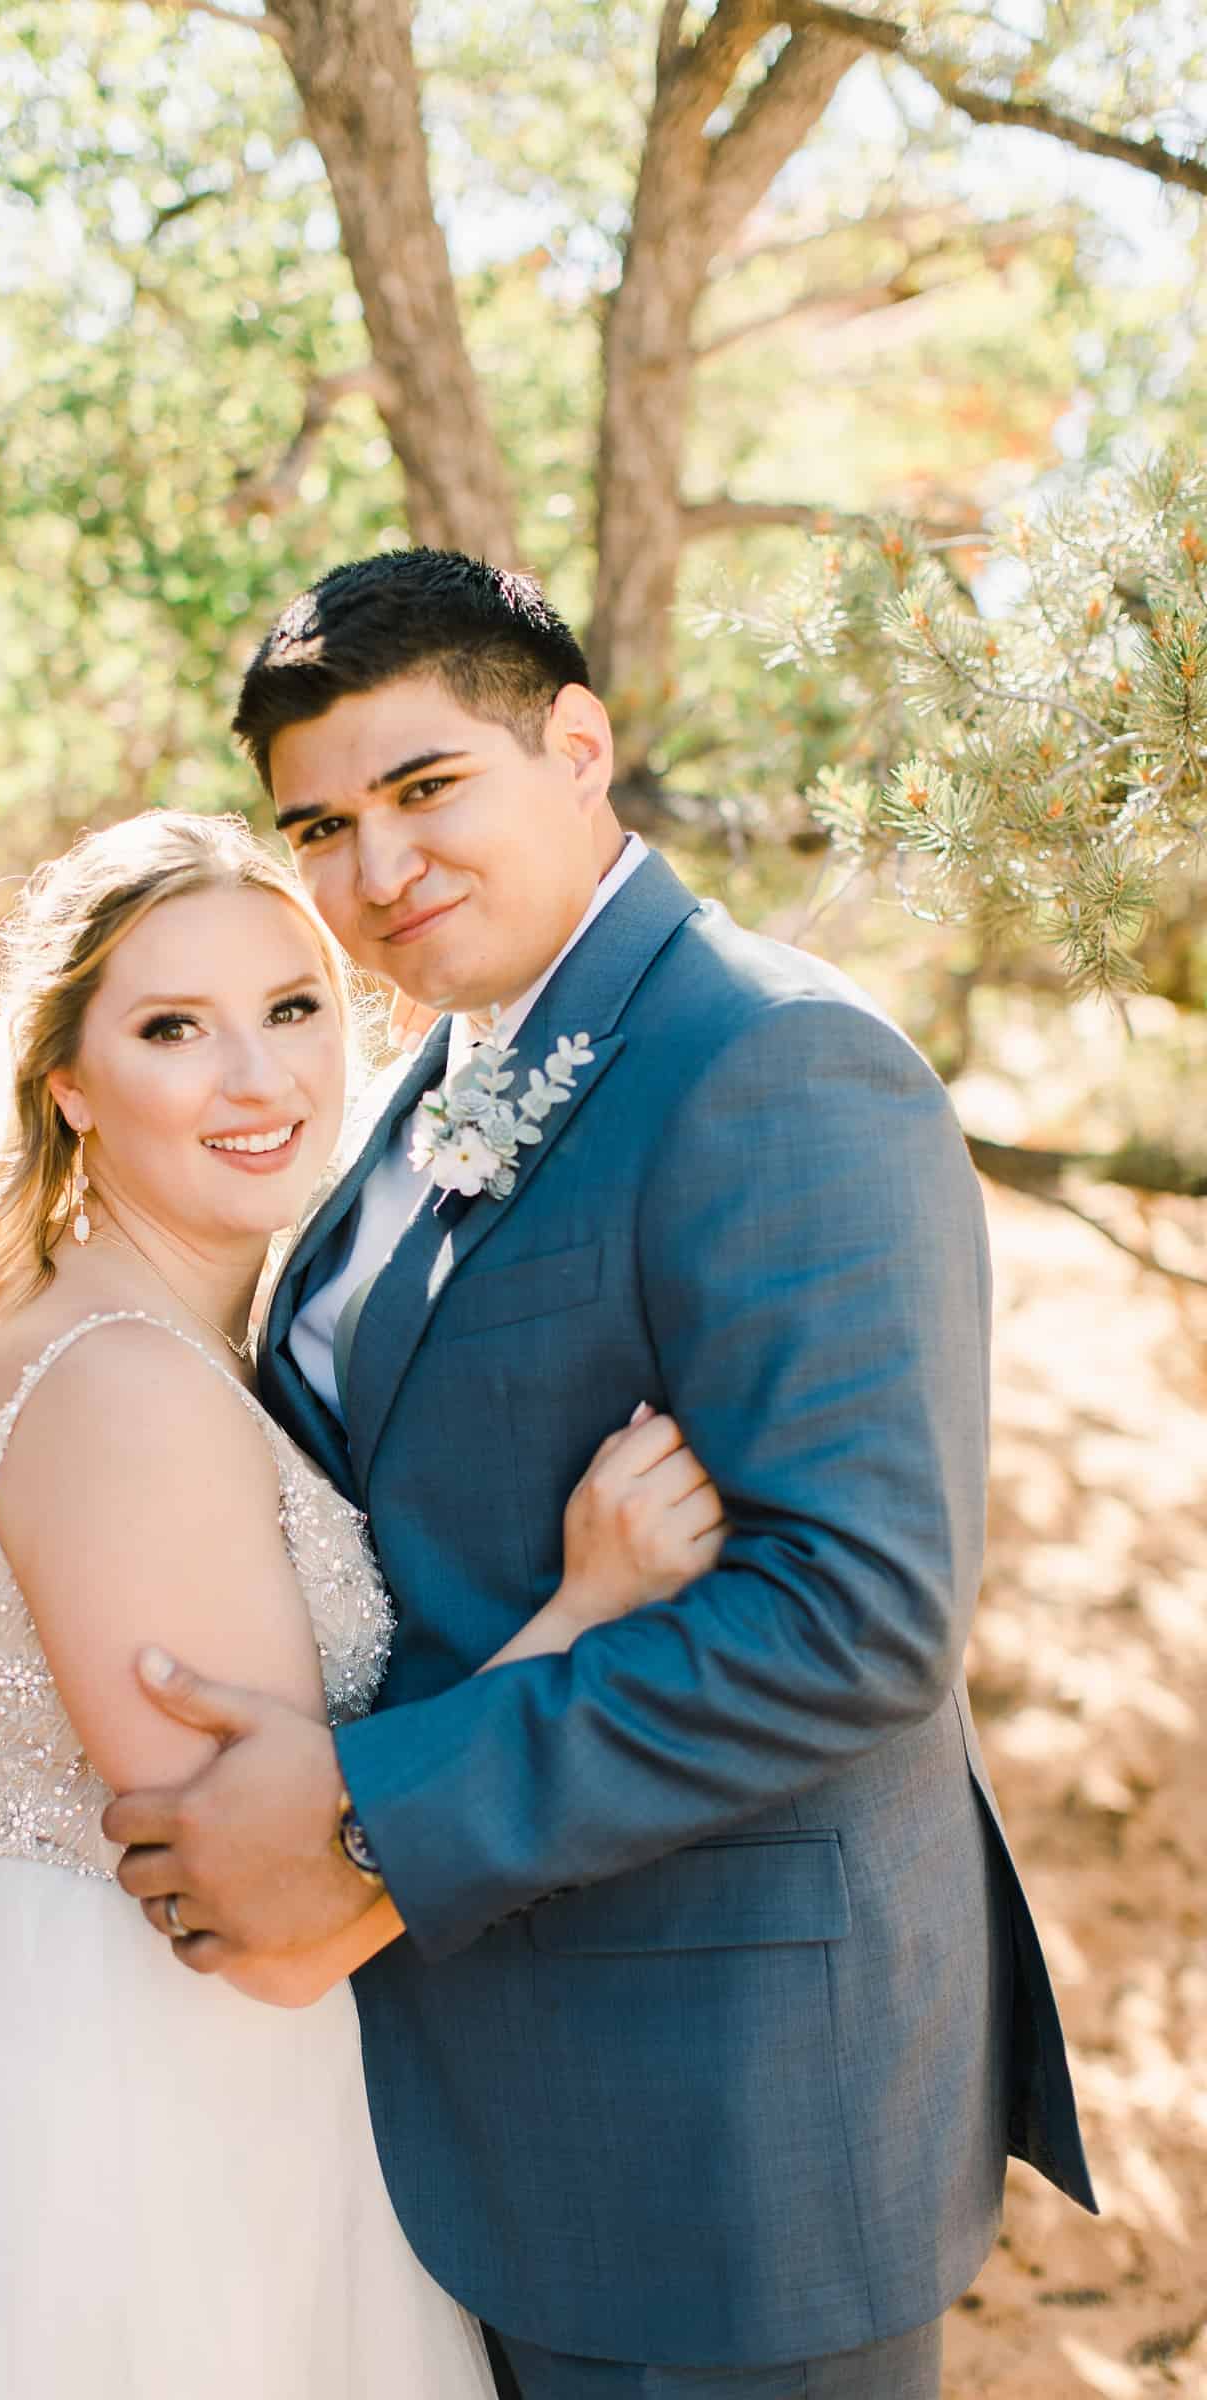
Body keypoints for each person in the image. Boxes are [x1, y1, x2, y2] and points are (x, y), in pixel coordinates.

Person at [103, 551, 1099, 2400]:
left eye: (423, 792)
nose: (373, 872)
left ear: (579, 748)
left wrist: (365, 1814)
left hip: (712, 2126)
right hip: (446, 2082)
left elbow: (852, 1620)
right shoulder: (427, 1077)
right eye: (318, 825)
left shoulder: (780, 1064)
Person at [0, 812, 728, 2398]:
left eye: (291, 1010)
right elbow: (273, 1936)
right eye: (172, 1031)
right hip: (119, 2143)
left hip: (69, 2068)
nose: (259, 1079)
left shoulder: (101, 1335)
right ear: (68, 1084)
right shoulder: (125, 1388)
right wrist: (588, 1614)